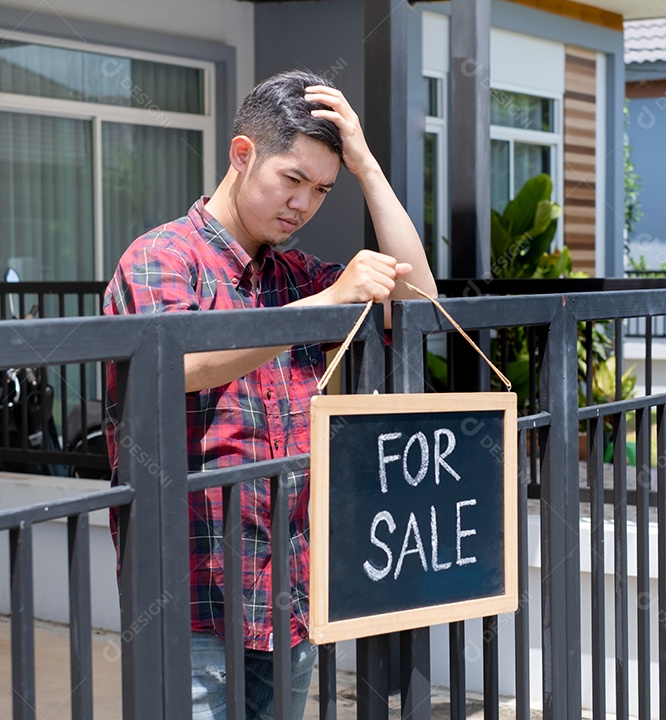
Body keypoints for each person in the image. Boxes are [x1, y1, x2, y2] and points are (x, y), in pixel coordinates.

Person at [103, 69, 436, 720]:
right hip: (190, 589)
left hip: (286, 589)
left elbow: (418, 301)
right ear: (241, 154)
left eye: (321, 190)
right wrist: (319, 307)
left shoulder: (295, 273)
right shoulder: (161, 258)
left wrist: (366, 168)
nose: (304, 204)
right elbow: (181, 362)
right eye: (293, 180)